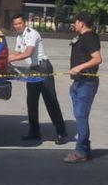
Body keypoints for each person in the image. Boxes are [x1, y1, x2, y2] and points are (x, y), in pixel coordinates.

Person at [7, 13, 67, 144]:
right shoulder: (19, 37)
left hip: (43, 68)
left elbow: (27, 53)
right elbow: (17, 53)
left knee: (50, 100)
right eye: (15, 24)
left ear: (24, 23)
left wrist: (8, 59)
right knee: (31, 102)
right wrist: (4, 58)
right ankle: (34, 132)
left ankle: (61, 132)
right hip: (32, 70)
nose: (17, 26)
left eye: (19, 23)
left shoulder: (32, 33)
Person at [65, 11, 102, 164]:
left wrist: (80, 67)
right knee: (80, 116)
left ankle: (80, 151)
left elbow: (98, 59)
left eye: (75, 22)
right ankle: (84, 148)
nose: (73, 24)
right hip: (78, 82)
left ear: (81, 23)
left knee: (81, 116)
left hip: (87, 82)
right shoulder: (81, 38)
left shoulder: (90, 37)